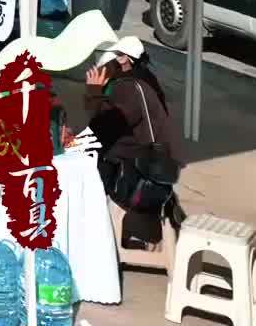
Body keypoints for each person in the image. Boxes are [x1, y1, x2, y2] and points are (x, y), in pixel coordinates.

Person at [79, 35, 185, 248]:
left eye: (107, 62)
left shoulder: (127, 88)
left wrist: (93, 93)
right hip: (156, 160)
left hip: (138, 169)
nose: (103, 69)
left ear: (122, 60)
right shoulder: (146, 78)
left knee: (83, 167)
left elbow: (104, 126)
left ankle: (93, 235)